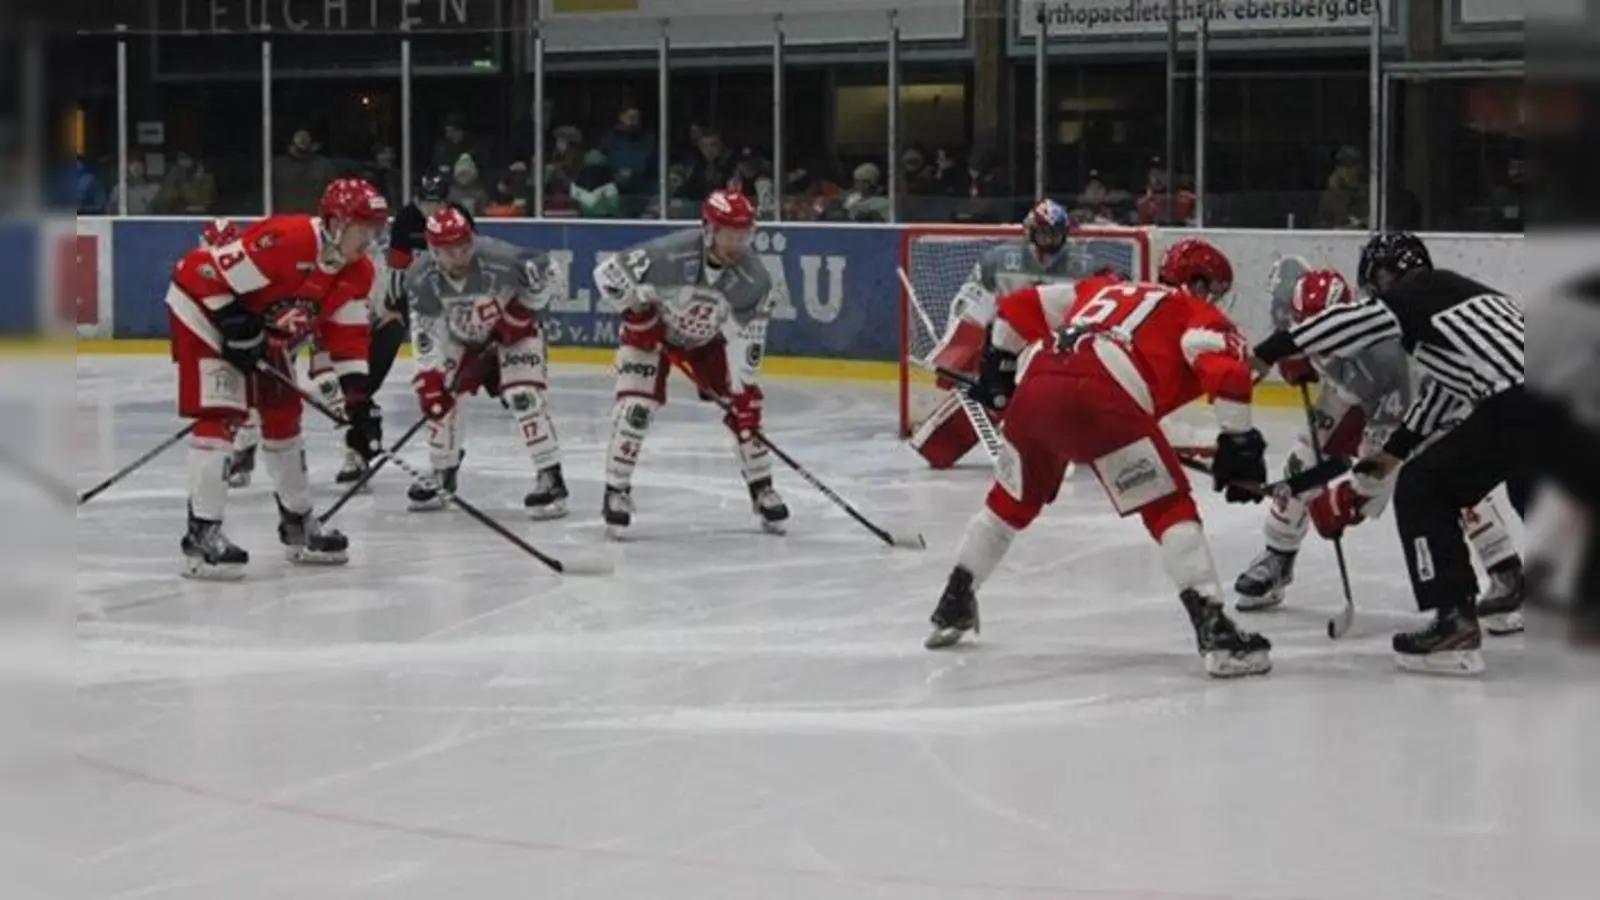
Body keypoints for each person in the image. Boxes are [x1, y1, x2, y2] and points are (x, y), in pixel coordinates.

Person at [923, 237, 1273, 678]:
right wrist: (1238, 443)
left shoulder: (1102, 288)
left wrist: (999, 374)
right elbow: (1225, 370)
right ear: (1199, 282)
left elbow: (1014, 308)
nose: (1216, 298)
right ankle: (1215, 631)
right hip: (1106, 393)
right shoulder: (1195, 311)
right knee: (1168, 507)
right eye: (1214, 287)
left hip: (1038, 385)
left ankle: (954, 601)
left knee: (1008, 503)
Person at [1252, 232, 1527, 675]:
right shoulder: (1454, 303)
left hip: (1521, 401)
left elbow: (1346, 323)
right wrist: (1393, 455)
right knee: (1536, 494)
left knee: (1425, 488)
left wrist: (1266, 353)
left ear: (1381, 276)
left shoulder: (1411, 294)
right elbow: (1442, 391)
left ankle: (1453, 624)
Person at [165, 179, 387, 579]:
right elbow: (198, 272)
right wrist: (231, 320)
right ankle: (202, 533)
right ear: (336, 223)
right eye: (363, 228)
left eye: (376, 229)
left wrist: (359, 405)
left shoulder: (360, 272)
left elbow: (348, 342)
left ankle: (299, 523)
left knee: (283, 414)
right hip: (203, 315)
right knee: (223, 413)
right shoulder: (290, 239)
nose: (370, 239)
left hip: (261, 332)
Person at [591, 189, 787, 537]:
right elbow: (607, 275)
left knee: (746, 410)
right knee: (636, 409)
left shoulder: (755, 279)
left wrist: (743, 388)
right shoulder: (667, 254)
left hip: (708, 342)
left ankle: (762, 487)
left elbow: (749, 336)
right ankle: (616, 491)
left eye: (745, 234)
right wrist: (638, 315)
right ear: (708, 229)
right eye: (730, 234)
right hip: (654, 337)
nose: (738, 243)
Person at [912, 199, 1101, 469]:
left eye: (1056, 235)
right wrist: (955, 354)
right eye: (1045, 234)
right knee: (992, 395)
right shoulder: (1000, 262)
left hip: (1056, 348)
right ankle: (940, 443)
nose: (1050, 242)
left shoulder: (1083, 265)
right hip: (1007, 345)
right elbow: (969, 307)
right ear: (1030, 232)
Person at [403, 207, 566, 518]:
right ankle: (442, 471)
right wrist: (430, 380)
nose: (460, 257)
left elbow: (551, 272)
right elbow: (426, 332)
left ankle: (550, 476)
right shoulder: (421, 276)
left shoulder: (500, 258)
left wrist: (519, 314)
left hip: (515, 336)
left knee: (524, 397)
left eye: (465, 247)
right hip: (460, 341)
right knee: (441, 401)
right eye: (450, 251)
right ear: (433, 250)